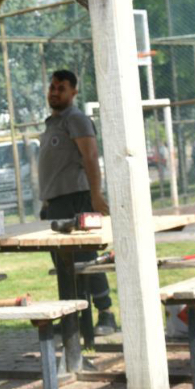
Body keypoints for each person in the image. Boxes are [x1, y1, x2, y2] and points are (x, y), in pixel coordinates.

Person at [36, 69, 117, 336]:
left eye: (61, 87)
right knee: (63, 263)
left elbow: (91, 157)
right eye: (52, 87)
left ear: (74, 92)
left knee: (86, 259)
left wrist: (96, 195)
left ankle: (105, 313)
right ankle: (73, 316)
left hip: (78, 199)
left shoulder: (77, 119)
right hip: (56, 203)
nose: (54, 92)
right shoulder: (52, 123)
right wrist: (47, 203)